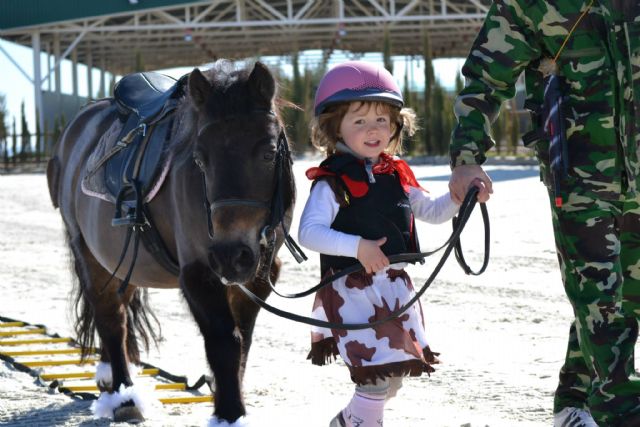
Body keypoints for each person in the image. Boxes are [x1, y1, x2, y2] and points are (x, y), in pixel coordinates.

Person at [448, 1, 640, 426]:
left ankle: (574, 401)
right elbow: (485, 76)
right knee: (599, 303)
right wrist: (466, 157)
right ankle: (621, 411)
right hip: (579, 178)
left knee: (628, 297)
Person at [297, 60, 461, 427]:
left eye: (382, 121)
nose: (373, 130)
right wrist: (359, 247)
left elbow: (432, 212)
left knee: (393, 379)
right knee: (374, 378)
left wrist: (458, 197)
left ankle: (347, 422)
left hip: (394, 290)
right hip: (353, 292)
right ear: (333, 127)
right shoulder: (331, 182)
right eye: (359, 122)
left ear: (396, 125)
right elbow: (309, 232)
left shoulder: (397, 173)